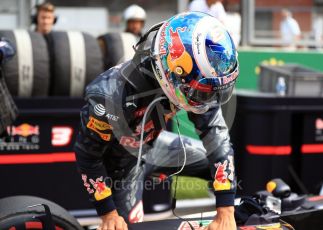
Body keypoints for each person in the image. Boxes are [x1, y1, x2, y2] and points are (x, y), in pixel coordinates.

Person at [75, 12, 238, 230]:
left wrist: (226, 210)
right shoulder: (110, 96)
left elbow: (217, 141)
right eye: (201, 92)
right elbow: (88, 157)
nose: (206, 98)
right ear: (171, 71)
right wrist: (108, 213)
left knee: (223, 174)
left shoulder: (194, 78)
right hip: (121, 169)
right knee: (127, 227)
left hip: (154, 146)